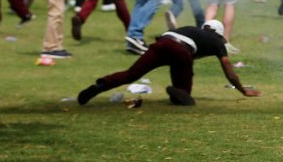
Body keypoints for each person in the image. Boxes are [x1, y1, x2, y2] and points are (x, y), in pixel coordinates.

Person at [76, 19, 260, 107]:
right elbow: (229, 72)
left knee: (131, 74)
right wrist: (243, 90)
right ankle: (177, 91)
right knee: (187, 100)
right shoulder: (218, 42)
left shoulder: (191, 29)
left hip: (162, 43)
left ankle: (99, 86)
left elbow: (181, 43)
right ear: (220, 33)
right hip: (181, 52)